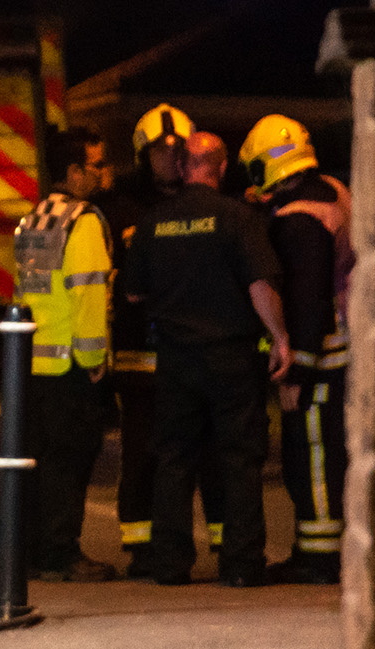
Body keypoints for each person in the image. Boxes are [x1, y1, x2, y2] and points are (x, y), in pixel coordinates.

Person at [121, 130, 291, 587]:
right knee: (239, 458)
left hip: (175, 361)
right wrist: (279, 337)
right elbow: (260, 285)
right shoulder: (238, 218)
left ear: (182, 167)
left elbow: (133, 291)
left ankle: (171, 565)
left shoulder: (155, 222)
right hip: (231, 358)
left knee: (173, 459)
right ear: (222, 166)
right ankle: (241, 566)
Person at [95, 104, 224, 577]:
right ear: (141, 156)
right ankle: (142, 544)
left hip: (190, 351)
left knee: (206, 448)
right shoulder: (118, 209)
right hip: (138, 351)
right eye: (159, 151)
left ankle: (223, 541)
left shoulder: (206, 202)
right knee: (143, 449)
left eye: (177, 150)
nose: (170, 159)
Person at [239, 115, 352, 585]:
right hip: (345, 341)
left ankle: (320, 557)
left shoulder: (297, 219)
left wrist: (296, 372)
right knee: (329, 450)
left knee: (312, 454)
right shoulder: (333, 190)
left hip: (318, 354)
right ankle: (321, 548)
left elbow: (307, 299)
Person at [14, 126, 116, 582]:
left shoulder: (35, 218)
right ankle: (63, 552)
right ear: (73, 171)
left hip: (34, 362)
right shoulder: (84, 221)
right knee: (69, 463)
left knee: (40, 461)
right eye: (95, 165)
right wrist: (95, 362)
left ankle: (35, 550)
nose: (101, 174)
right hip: (72, 364)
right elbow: (88, 294)